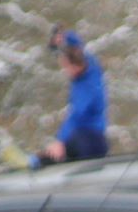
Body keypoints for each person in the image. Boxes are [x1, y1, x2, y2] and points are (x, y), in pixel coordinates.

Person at [42, 28, 108, 164]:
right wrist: (64, 36)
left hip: (90, 141)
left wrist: (60, 141)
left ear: (75, 66)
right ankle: (41, 159)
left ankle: (40, 161)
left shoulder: (87, 88)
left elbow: (76, 117)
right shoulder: (91, 66)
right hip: (89, 138)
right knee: (66, 144)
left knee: (64, 148)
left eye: (67, 67)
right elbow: (77, 44)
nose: (66, 71)